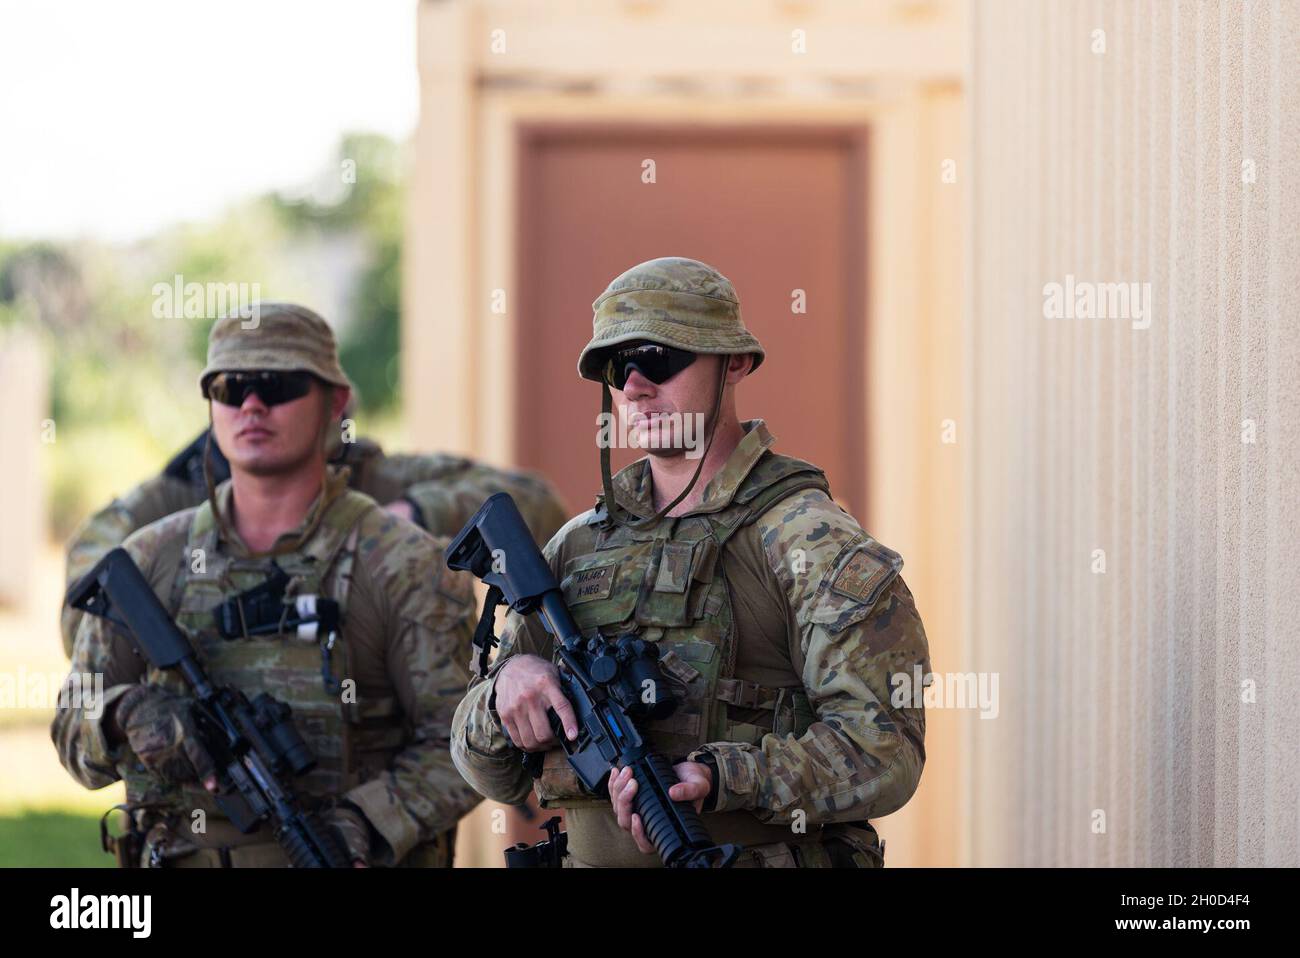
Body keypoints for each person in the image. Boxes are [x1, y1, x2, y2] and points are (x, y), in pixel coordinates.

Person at [450, 257, 930, 868]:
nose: (634, 387)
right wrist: (504, 696)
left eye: (657, 358)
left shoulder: (806, 539)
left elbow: (886, 751)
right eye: (618, 367)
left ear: (734, 363)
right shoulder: (575, 550)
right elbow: (490, 775)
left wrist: (725, 775)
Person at [52, 302, 483, 867]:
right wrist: (122, 714)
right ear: (211, 407)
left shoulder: (403, 564)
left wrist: (362, 822)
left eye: (277, 386)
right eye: (231, 387)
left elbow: (469, 745)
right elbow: (70, 725)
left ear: (335, 402)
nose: (252, 405)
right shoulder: (150, 560)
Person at [60, 396, 567, 658]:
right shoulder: (177, 495)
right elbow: (83, 603)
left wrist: (413, 514)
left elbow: (536, 503)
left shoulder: (367, 478)